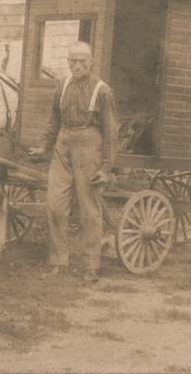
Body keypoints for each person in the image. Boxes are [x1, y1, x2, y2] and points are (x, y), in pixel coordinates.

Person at [29, 41, 117, 284]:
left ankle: (91, 265)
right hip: (63, 143)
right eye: (72, 61)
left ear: (91, 62)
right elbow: (53, 121)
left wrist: (106, 167)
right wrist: (44, 146)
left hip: (90, 145)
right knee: (55, 205)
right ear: (67, 61)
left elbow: (111, 132)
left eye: (82, 61)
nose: (77, 65)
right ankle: (59, 261)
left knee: (89, 209)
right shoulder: (62, 86)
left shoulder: (102, 91)